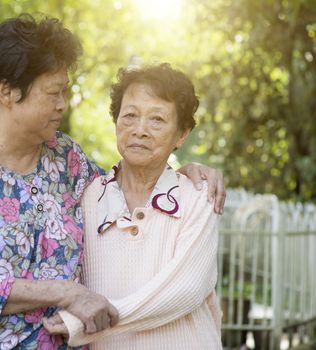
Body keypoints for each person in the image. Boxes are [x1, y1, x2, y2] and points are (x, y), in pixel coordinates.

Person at [0, 15, 225, 349]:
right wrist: (65, 292)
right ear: (7, 91)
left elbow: (130, 182)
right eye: (54, 92)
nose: (63, 104)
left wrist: (181, 171)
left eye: (65, 91)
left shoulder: (66, 158)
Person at [43, 64, 222, 349]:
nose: (140, 130)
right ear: (115, 122)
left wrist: (86, 324)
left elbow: (186, 291)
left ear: (181, 134)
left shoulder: (198, 197)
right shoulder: (87, 197)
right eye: (129, 116)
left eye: (157, 120)